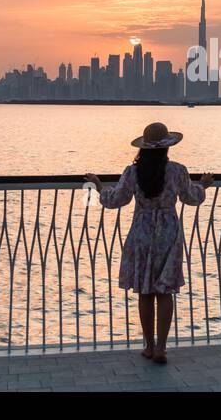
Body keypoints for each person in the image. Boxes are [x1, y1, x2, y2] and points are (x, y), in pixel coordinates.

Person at [84, 122, 213, 364]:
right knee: (165, 291)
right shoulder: (177, 170)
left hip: (142, 231)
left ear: (143, 148)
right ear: (167, 148)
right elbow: (192, 197)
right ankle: (161, 348)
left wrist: (99, 186)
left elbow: (115, 200)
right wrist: (203, 185)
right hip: (168, 233)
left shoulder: (133, 172)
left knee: (145, 291)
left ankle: (149, 346)